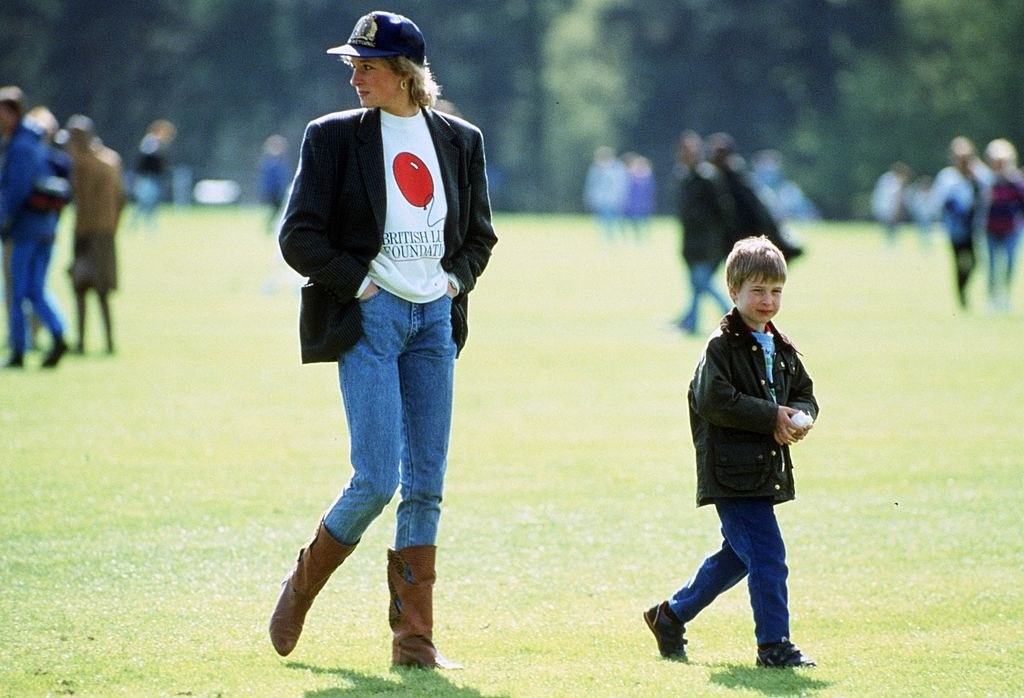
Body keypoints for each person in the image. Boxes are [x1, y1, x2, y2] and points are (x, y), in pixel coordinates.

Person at [269, 11, 497, 669]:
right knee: (376, 478)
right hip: (369, 318)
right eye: (352, 65)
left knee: (425, 484)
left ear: (405, 73)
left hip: (433, 323)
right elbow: (298, 236)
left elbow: (479, 235)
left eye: (366, 66)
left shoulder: (459, 139)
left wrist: (455, 282)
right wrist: (359, 284)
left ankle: (413, 643)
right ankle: (304, 580)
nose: (355, 77)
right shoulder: (332, 138)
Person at [643, 236, 819, 669]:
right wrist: (771, 417)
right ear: (733, 291)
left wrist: (801, 414)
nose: (767, 300)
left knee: (739, 558)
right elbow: (714, 400)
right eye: (757, 291)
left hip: (763, 471)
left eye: (775, 291)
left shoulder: (782, 347)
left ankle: (670, 616)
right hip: (732, 474)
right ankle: (774, 646)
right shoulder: (720, 348)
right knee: (768, 557)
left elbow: (805, 393)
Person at [0, 87, 69, 369]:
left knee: (18, 291)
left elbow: (15, 191)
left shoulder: (20, 146)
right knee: (35, 291)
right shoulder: (34, 142)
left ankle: (19, 349)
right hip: (45, 227)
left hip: (25, 229)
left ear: (12, 112)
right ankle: (57, 334)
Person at [64, 115, 125, 354]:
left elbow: (79, 196)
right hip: (105, 232)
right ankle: (108, 342)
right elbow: (121, 199)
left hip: (88, 232)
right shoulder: (112, 160)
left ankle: (81, 342)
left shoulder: (84, 164)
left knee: (83, 287)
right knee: (100, 291)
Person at [708, 133, 804, 262]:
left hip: (745, 239)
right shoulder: (711, 178)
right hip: (724, 241)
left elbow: (757, 211)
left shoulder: (738, 179)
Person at [674, 131, 733, 335]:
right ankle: (690, 322)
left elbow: (723, 210)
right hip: (690, 242)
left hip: (706, 243)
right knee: (696, 286)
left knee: (702, 284)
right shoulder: (684, 176)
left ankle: (735, 316)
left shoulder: (707, 177)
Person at [929, 136, 989, 310]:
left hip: (974, 227)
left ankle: (963, 288)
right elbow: (940, 201)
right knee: (958, 262)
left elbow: (988, 189)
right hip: (955, 228)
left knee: (975, 262)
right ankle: (960, 295)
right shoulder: (947, 177)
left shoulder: (979, 175)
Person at [980, 138, 1024, 313]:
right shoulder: (987, 182)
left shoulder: (1015, 182)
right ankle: (992, 298)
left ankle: (1005, 296)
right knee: (991, 265)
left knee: (1010, 264)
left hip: (1011, 229)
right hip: (991, 229)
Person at [130, 119, 175, 232]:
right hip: (147, 177)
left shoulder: (158, 143)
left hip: (154, 178)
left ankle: (141, 226)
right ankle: (142, 226)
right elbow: (146, 160)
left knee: (147, 203)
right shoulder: (151, 142)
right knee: (146, 203)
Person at [583, 145, 628, 239]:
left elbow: (621, 185)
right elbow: (591, 185)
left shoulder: (618, 169)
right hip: (601, 200)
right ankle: (607, 238)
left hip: (614, 199)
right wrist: (590, 198)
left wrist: (621, 197)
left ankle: (619, 237)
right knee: (602, 220)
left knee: (618, 220)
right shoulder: (595, 169)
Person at [257, 134, 292, 233]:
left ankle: (273, 227)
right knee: (277, 209)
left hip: (280, 190)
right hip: (274, 191)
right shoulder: (270, 162)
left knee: (279, 210)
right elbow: (268, 179)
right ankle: (271, 227)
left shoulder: (281, 161)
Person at [870, 162, 911, 245]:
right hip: (888, 209)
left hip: (885, 208)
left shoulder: (885, 178)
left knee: (891, 229)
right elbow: (893, 198)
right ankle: (890, 245)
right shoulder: (892, 181)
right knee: (890, 229)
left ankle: (890, 244)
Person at [622, 152, 656, 239]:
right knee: (634, 221)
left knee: (644, 221)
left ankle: (644, 236)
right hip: (633, 204)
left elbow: (650, 191)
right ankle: (637, 237)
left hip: (644, 204)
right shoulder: (631, 177)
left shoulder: (648, 178)